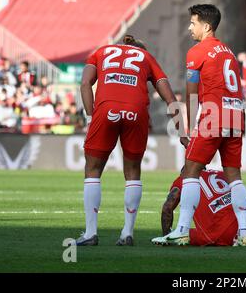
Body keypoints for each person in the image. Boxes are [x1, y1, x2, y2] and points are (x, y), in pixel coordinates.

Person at [156, 4, 246, 246]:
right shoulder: (228, 51)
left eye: (193, 22)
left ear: (206, 26)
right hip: (236, 116)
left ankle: (182, 229)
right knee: (234, 176)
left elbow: (191, 95)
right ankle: (243, 233)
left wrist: (186, 129)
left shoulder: (196, 53)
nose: (190, 27)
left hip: (213, 117)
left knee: (190, 171)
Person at [75, 35, 179, 246]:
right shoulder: (146, 56)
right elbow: (169, 96)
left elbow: (85, 83)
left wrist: (90, 117)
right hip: (136, 111)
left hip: (106, 109)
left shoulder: (101, 51)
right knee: (133, 172)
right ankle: (127, 232)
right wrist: (182, 130)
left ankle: (90, 233)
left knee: (93, 170)